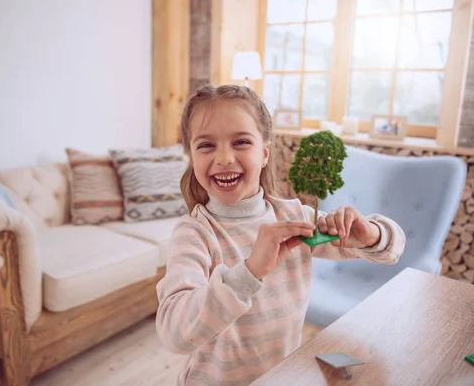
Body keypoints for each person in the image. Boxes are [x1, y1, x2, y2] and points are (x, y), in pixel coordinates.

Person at [155, 84, 406, 386]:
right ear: (191, 156)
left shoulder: (295, 217)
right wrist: (250, 271)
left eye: (241, 142)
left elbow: (393, 250)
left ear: (264, 153)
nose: (223, 158)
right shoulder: (194, 233)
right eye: (206, 145)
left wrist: (370, 235)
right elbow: (173, 333)